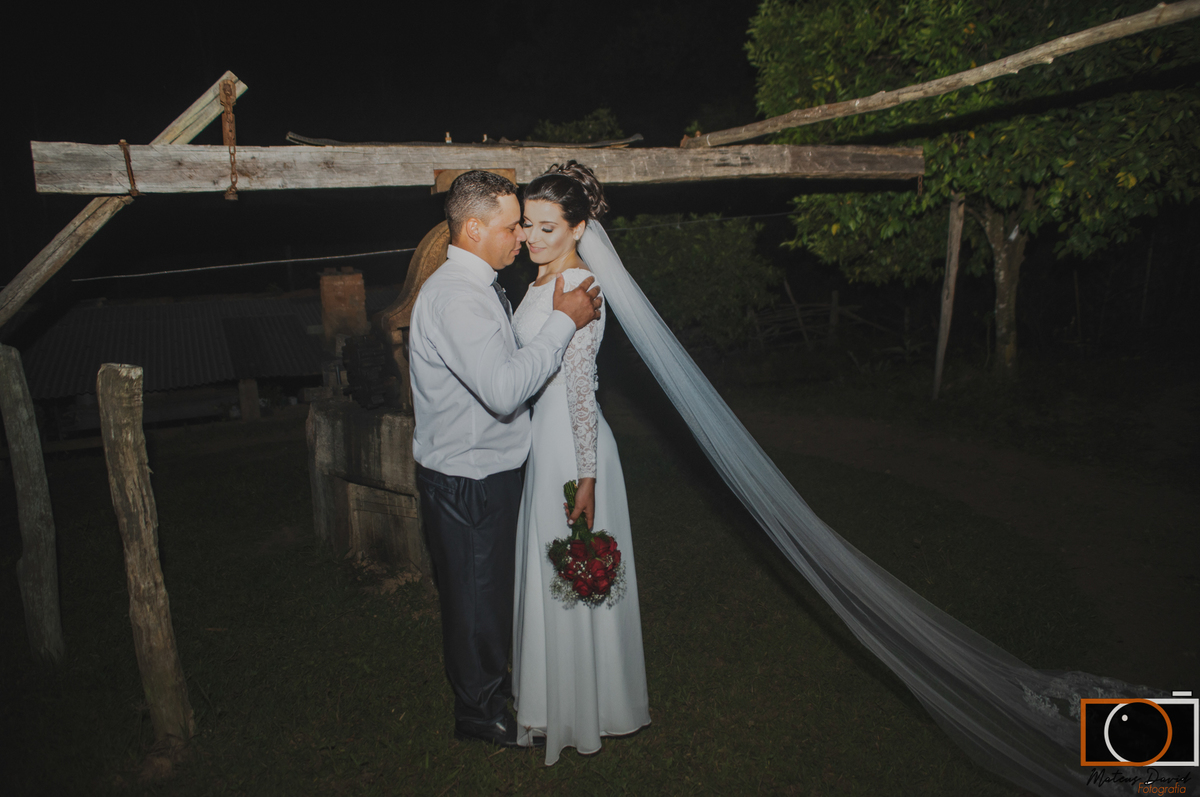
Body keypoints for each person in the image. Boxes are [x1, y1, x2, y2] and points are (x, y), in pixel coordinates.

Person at [408, 170, 601, 748]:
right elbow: (502, 389)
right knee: (473, 600)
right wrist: (565, 320)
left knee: (487, 593)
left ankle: (493, 690)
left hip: (487, 470)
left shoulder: (478, 283)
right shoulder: (456, 297)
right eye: (509, 224)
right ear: (472, 228)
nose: (520, 236)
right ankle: (480, 714)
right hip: (468, 477)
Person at [510, 162, 651, 764]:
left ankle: (589, 707)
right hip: (543, 438)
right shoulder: (540, 281)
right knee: (549, 574)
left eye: (547, 228)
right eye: (526, 226)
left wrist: (587, 476)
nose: (532, 238)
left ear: (578, 228)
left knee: (572, 569)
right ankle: (549, 701)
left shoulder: (582, 287)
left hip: (572, 443)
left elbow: (579, 390)